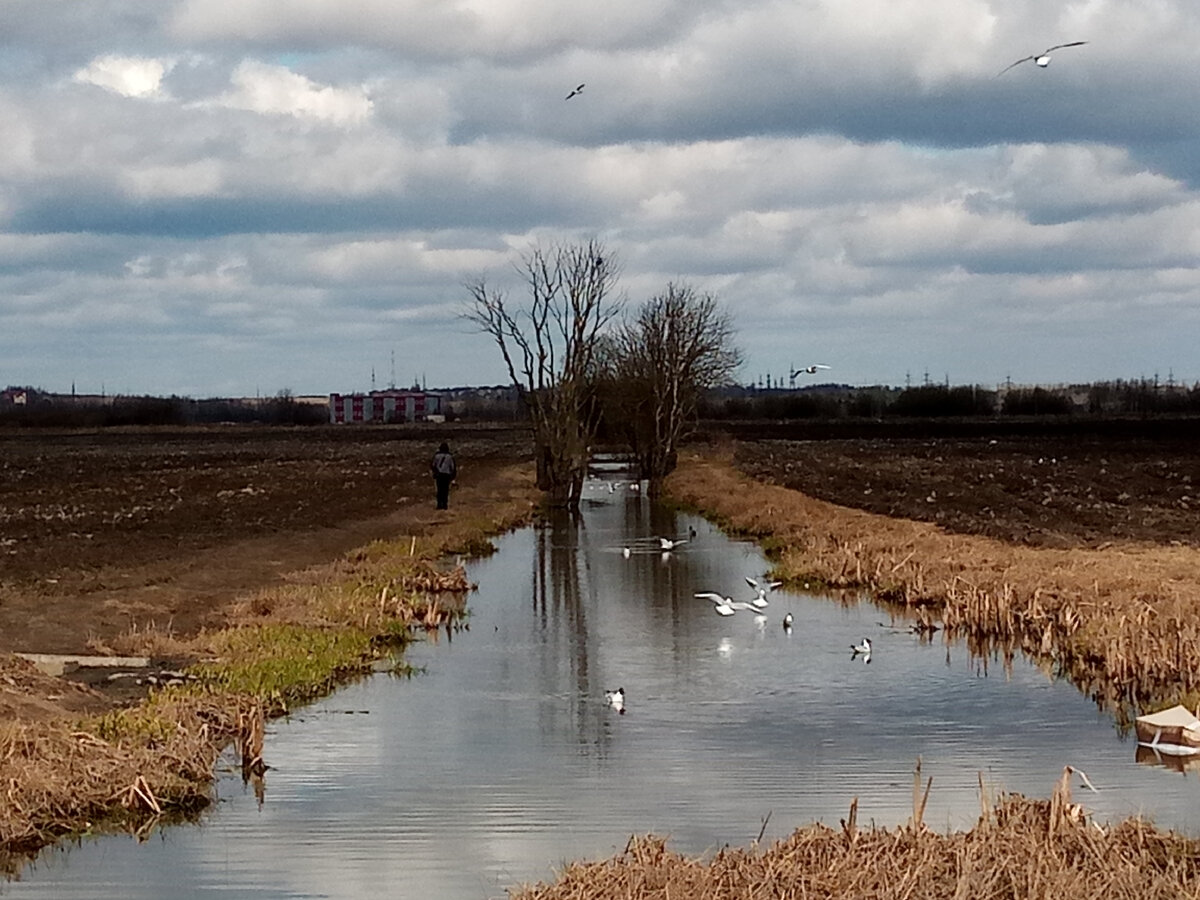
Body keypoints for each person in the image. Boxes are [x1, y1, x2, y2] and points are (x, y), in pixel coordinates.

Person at [431, 442, 457, 510]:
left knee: (439, 490)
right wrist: (453, 477)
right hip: (446, 475)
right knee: (445, 491)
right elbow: (453, 468)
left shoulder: (436, 456)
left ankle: (439, 505)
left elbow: (433, 465)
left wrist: (435, 473)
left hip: (439, 475)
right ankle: (445, 505)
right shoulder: (450, 457)